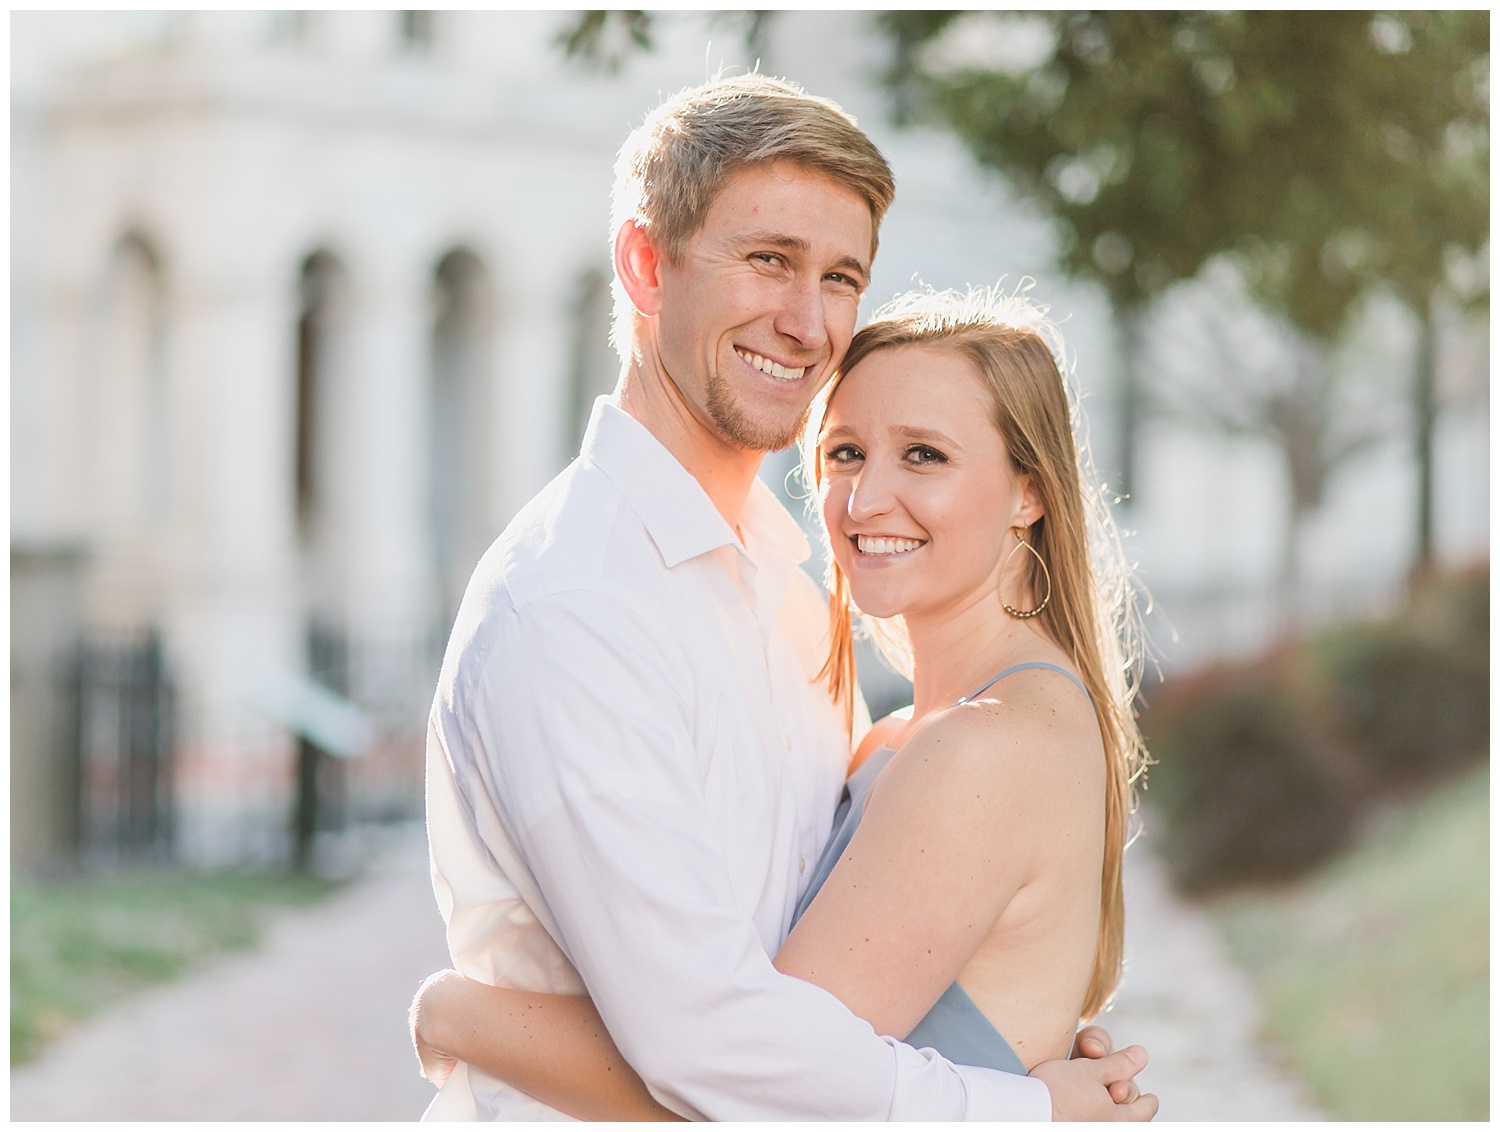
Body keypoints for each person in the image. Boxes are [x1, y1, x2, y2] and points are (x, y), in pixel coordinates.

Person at [419, 71, 1154, 1121]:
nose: (805, 321)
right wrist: (1019, 1110)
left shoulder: (793, 600)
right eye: (768, 259)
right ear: (644, 265)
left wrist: (459, 1017)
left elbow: (785, 1019)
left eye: (841, 276)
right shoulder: (572, 607)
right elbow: (714, 1049)